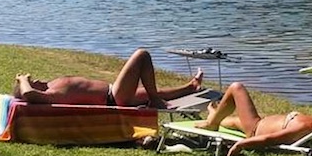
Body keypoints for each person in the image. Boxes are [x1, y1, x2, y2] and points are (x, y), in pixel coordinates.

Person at [195, 82, 312, 156]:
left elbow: (268, 139)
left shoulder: (305, 127)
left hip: (255, 128)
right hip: (261, 122)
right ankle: (214, 116)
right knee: (232, 122)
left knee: (236, 88)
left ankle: (212, 122)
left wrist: (239, 145)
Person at [13, 48, 203, 108]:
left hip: (114, 93)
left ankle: (190, 87)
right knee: (141, 55)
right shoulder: (50, 94)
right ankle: (155, 101)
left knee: (152, 91)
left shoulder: (51, 85)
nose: (35, 80)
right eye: (33, 82)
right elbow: (28, 95)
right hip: (113, 98)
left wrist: (27, 81)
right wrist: (23, 80)